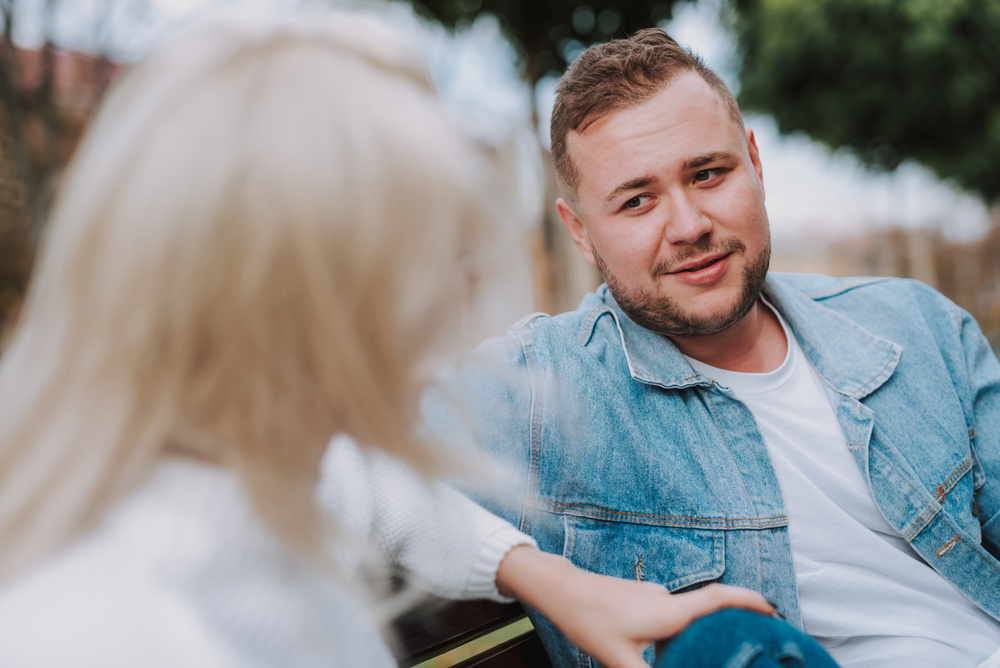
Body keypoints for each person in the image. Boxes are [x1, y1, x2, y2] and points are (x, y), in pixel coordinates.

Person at [0, 12, 781, 668]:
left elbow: (366, 482)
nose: (447, 299)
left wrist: (545, 576)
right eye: (429, 254)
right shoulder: (104, 630)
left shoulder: (257, 470)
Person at [425, 28, 1000, 668]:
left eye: (707, 174)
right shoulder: (542, 388)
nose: (690, 226)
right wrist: (532, 573)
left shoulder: (915, 324)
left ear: (755, 163)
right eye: (637, 201)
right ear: (580, 232)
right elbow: (343, 459)